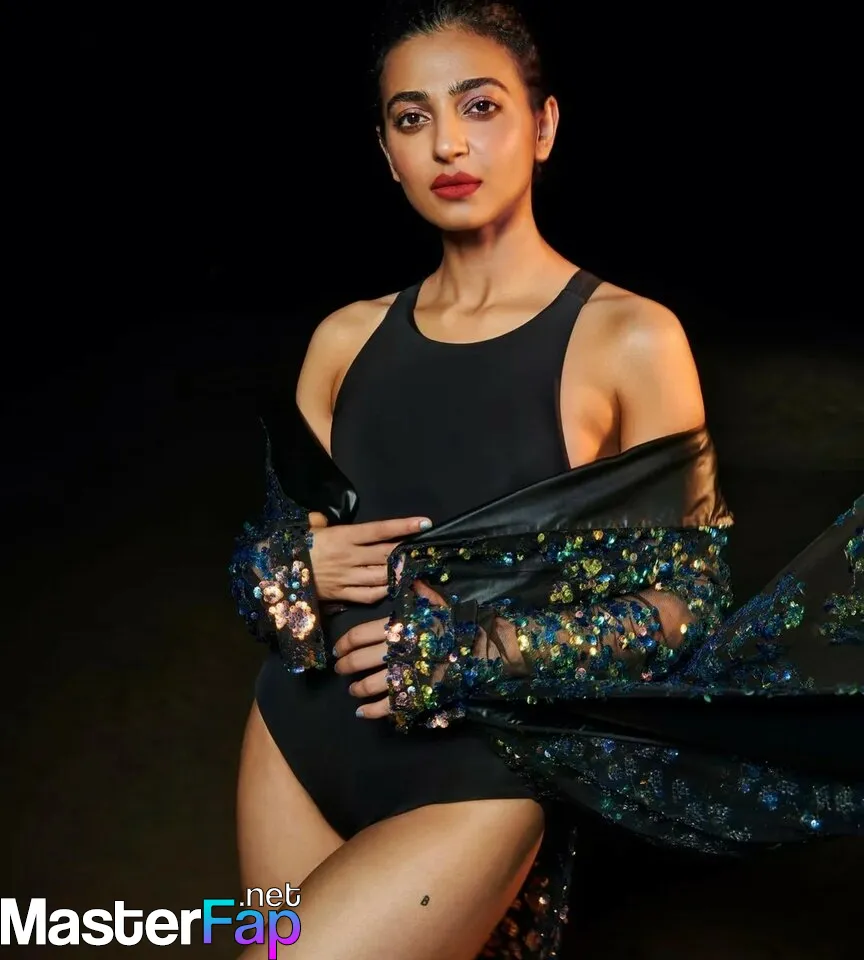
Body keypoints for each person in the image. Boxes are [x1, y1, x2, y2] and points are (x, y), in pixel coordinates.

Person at [229, 3, 863, 958]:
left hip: (478, 770)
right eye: (412, 118)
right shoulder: (342, 340)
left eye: (480, 106)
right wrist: (289, 569)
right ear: (387, 152)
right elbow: (276, 565)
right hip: (293, 735)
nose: (448, 142)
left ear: (544, 125)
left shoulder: (631, 337)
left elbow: (687, 609)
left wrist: (469, 650)